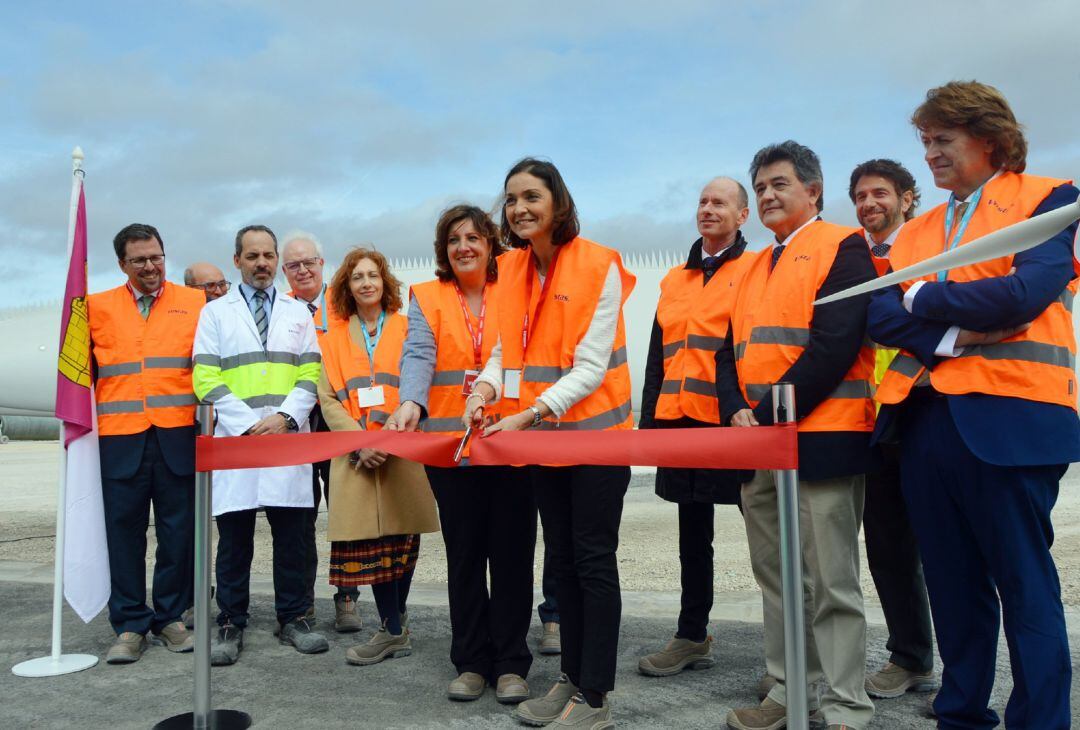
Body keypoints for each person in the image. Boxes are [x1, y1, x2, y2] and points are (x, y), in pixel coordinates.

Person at [868, 80, 1079, 729]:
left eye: (942, 139)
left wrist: (923, 301)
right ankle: (960, 714)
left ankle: (1039, 721)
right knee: (954, 587)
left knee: (1023, 583)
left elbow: (1025, 294)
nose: (929, 153)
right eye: (924, 141)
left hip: (1012, 417)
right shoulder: (916, 230)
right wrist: (960, 329)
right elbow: (879, 315)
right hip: (924, 423)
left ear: (987, 138)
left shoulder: (1049, 197)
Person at [466, 158, 636, 728]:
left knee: (592, 563)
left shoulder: (599, 264)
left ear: (558, 203)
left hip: (596, 444)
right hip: (542, 443)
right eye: (511, 198)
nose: (519, 208)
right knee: (561, 564)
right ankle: (571, 677)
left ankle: (596, 698)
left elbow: (590, 366)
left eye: (532, 196)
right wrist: (485, 392)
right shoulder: (510, 268)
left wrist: (530, 415)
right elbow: (501, 350)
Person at [715, 141, 877, 730]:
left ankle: (844, 706)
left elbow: (835, 344)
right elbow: (725, 352)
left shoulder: (843, 247)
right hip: (760, 445)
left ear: (813, 190)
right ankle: (788, 693)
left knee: (831, 582)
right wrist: (737, 410)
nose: (766, 196)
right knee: (777, 579)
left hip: (821, 440)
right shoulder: (754, 263)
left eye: (779, 184)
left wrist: (764, 413)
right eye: (759, 188)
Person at [386, 204, 536, 705]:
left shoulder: (516, 287)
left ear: (492, 243)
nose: (464, 247)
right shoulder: (427, 297)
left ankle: (512, 662)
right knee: (465, 556)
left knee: (512, 555)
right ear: (442, 250)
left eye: (473, 237)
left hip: (511, 439)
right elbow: (418, 355)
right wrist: (410, 402)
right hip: (451, 448)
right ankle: (471, 662)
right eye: (454, 240)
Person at [192, 224, 329, 666]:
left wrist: (286, 417)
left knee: (295, 537)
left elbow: (312, 373)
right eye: (252, 256)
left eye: (269, 255)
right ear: (237, 261)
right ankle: (231, 621)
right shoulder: (215, 314)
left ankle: (295, 618)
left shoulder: (297, 312)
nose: (262, 263)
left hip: (288, 441)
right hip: (239, 442)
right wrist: (248, 424)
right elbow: (205, 376)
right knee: (234, 540)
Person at [636, 177, 755, 678]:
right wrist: (649, 427)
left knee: (767, 534)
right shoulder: (673, 280)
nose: (708, 209)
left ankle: (792, 650)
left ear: (742, 216)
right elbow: (655, 360)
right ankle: (691, 635)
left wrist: (747, 412)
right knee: (692, 537)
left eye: (719, 202)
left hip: (738, 422)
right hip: (681, 421)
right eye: (703, 202)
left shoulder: (755, 270)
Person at [317, 247, 439, 666]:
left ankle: (393, 626)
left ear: (385, 282)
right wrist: (359, 442)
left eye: (373, 275)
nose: (366, 283)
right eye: (356, 277)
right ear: (346, 288)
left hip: (403, 449)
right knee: (370, 547)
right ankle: (392, 627)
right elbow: (328, 399)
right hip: (355, 456)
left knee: (402, 542)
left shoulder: (408, 329)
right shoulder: (331, 339)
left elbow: (421, 382)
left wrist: (387, 440)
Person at [88, 223, 204, 664]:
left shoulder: (194, 302)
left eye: (156, 256)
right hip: (119, 441)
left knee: (178, 535)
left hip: (176, 436)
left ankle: (171, 618)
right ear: (122, 264)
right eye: (139, 260)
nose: (151, 266)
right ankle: (130, 625)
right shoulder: (95, 307)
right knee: (124, 537)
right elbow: (82, 378)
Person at [848, 159, 937, 700]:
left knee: (945, 540)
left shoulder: (928, 246)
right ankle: (911, 656)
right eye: (859, 196)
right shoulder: (854, 258)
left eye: (879, 193)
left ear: (907, 198)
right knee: (886, 542)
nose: (867, 203)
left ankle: (962, 667)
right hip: (872, 416)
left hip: (926, 404)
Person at [279, 231, 356, 632]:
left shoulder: (345, 303)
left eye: (309, 262)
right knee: (299, 516)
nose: (303, 270)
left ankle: (347, 598)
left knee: (344, 513)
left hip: (338, 417)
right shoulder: (279, 310)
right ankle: (302, 606)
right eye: (293, 265)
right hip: (297, 421)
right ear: (284, 271)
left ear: (323, 264)